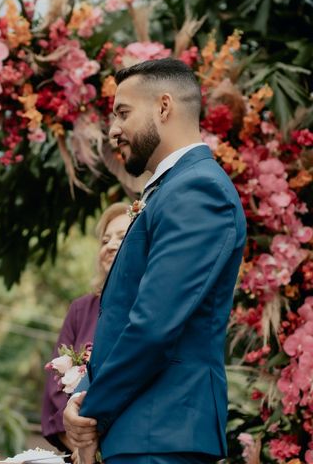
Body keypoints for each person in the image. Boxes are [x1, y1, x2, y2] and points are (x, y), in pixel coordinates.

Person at [63, 58, 246, 464]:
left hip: (161, 431)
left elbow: (154, 326)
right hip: (143, 430)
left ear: (164, 107)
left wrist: (91, 414)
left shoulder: (198, 189)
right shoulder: (170, 189)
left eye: (123, 113)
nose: (113, 129)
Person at [41, 202, 130, 456]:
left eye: (122, 237)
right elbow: (56, 388)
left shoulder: (149, 307)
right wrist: (82, 445)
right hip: (79, 447)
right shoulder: (81, 308)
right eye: (105, 240)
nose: (110, 245)